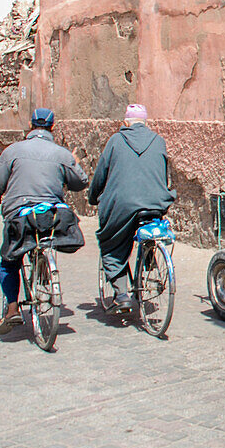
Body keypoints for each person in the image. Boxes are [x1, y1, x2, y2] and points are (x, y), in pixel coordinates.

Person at [0, 107, 89, 334]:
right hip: (51, 215)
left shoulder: (12, 151)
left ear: (31, 125)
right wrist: (72, 162)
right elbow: (80, 182)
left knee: (9, 261)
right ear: (52, 127)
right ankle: (45, 271)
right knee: (44, 239)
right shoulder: (61, 154)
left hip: (20, 214)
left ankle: (12, 309)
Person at [89, 104, 175, 311]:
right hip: (156, 201)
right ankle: (149, 256)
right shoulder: (158, 140)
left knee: (112, 243)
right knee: (149, 222)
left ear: (126, 123)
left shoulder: (116, 140)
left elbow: (101, 174)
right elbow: (164, 175)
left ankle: (121, 294)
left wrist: (93, 197)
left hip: (123, 203)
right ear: (145, 123)